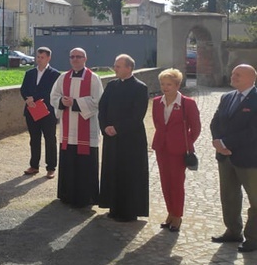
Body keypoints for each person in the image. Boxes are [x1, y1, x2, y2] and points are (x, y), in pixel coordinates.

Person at [210, 64, 257, 253]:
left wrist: (226, 143)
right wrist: (217, 141)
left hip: (249, 159)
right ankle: (233, 230)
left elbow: (253, 131)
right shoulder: (227, 97)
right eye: (232, 74)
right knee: (228, 196)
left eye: (238, 75)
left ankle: (253, 237)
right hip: (225, 157)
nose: (233, 77)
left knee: (255, 200)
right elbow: (215, 121)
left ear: (251, 78)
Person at [98, 54, 149, 222]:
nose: (115, 68)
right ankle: (113, 206)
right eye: (115, 65)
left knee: (128, 174)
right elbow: (102, 107)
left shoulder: (140, 88)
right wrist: (105, 126)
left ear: (129, 68)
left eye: (118, 66)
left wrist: (117, 128)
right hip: (111, 138)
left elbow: (137, 115)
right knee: (112, 171)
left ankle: (128, 210)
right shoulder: (111, 85)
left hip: (130, 139)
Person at [50, 48, 103, 207]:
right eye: (72, 56)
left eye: (78, 57)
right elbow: (53, 97)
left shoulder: (93, 78)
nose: (75, 59)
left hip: (86, 129)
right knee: (68, 161)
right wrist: (61, 102)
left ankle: (86, 197)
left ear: (85, 58)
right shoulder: (62, 77)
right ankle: (67, 195)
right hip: (68, 129)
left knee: (85, 163)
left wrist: (76, 103)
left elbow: (98, 101)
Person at [151, 68, 201, 232]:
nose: (165, 87)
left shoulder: (188, 103)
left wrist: (185, 143)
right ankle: (170, 213)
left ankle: (177, 216)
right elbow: (158, 124)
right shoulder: (157, 102)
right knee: (165, 182)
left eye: (169, 84)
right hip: (161, 147)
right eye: (163, 84)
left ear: (178, 85)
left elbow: (196, 128)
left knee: (177, 183)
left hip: (178, 149)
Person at [20, 46, 61, 178]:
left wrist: (35, 98)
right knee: (34, 139)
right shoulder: (30, 73)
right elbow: (23, 89)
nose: (39, 60)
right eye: (38, 57)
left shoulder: (55, 74)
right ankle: (34, 165)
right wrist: (27, 99)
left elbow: (52, 92)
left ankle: (51, 167)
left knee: (50, 139)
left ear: (49, 58)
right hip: (31, 110)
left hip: (47, 112)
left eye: (42, 57)